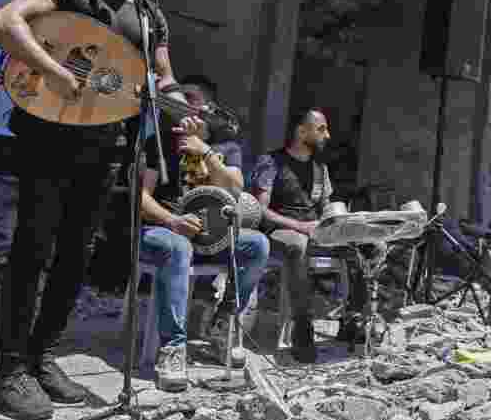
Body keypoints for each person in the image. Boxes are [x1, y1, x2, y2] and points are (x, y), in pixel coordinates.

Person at [0, 0, 186, 420]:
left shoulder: (149, 15)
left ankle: (42, 356)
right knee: (33, 248)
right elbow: (6, 21)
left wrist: (184, 106)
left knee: (76, 255)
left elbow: (164, 80)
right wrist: (56, 72)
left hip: (107, 145)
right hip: (47, 137)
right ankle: (10, 370)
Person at [137, 94, 270, 391]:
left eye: (196, 105)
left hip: (212, 235)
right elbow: (141, 199)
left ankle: (222, 323)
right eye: (182, 104)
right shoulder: (156, 144)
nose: (189, 109)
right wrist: (172, 221)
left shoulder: (226, 148)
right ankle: (173, 348)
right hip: (164, 228)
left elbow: (236, 189)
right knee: (178, 246)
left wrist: (204, 152)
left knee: (258, 244)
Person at [248, 108, 367, 363]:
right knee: (298, 245)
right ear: (302, 131)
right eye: (321, 129)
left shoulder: (320, 168)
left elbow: (326, 207)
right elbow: (260, 209)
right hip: (279, 231)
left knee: (364, 245)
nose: (327, 135)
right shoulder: (271, 162)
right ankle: (302, 327)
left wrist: (343, 225)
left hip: (315, 230)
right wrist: (298, 226)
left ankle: (353, 319)